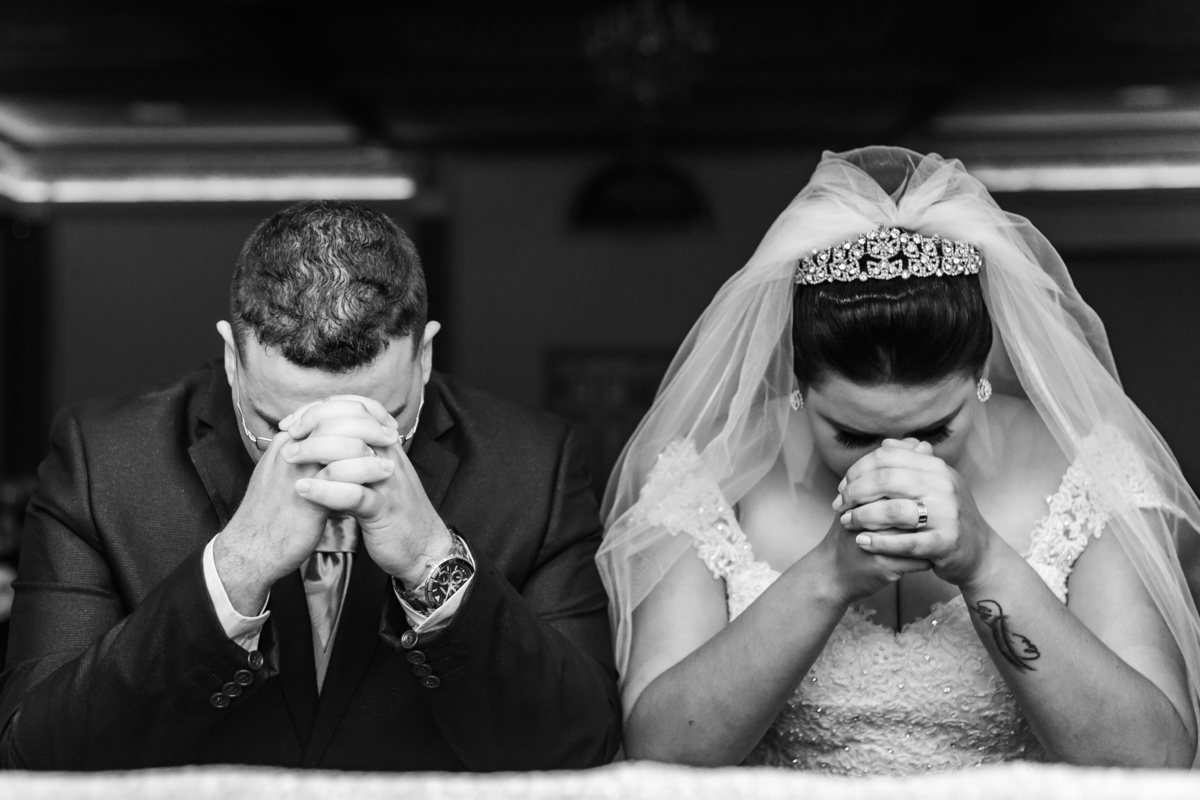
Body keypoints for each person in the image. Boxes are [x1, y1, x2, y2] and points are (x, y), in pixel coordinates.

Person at [597, 147, 1200, 773]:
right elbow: (661, 754)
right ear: (800, 387)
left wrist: (987, 563)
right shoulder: (715, 477)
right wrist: (827, 576)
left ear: (980, 378)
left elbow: (1152, 759)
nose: (896, 459)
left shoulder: (1085, 471)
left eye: (936, 429)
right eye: (853, 435)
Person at [0, 201, 620, 770]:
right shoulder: (103, 460)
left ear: (425, 357)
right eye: (280, 425)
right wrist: (236, 568)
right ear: (231, 359)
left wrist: (434, 564)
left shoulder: (535, 465)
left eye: (379, 422)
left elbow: (581, 747)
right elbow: (35, 754)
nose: (330, 457)